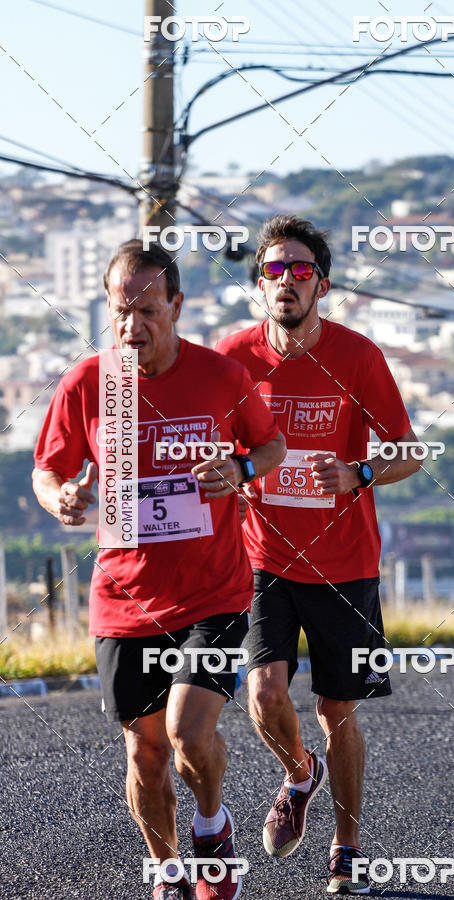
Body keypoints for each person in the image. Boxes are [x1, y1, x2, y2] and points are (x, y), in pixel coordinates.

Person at [32, 240, 285, 900]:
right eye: (121, 312)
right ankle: (169, 872)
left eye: (148, 311)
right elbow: (48, 468)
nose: (132, 327)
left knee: (186, 733)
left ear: (177, 306)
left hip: (214, 591)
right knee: (144, 752)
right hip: (124, 597)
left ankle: (212, 826)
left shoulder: (220, 376)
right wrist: (59, 496)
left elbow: (271, 444)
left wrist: (241, 470)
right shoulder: (91, 381)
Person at [216, 215, 422, 895]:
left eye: (300, 270)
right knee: (263, 691)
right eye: (274, 269)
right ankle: (299, 773)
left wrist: (361, 473)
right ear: (259, 283)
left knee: (339, 711)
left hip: (346, 564)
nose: (286, 280)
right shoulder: (234, 357)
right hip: (263, 558)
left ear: (321, 285)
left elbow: (409, 451)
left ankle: (348, 847)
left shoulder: (358, 356)